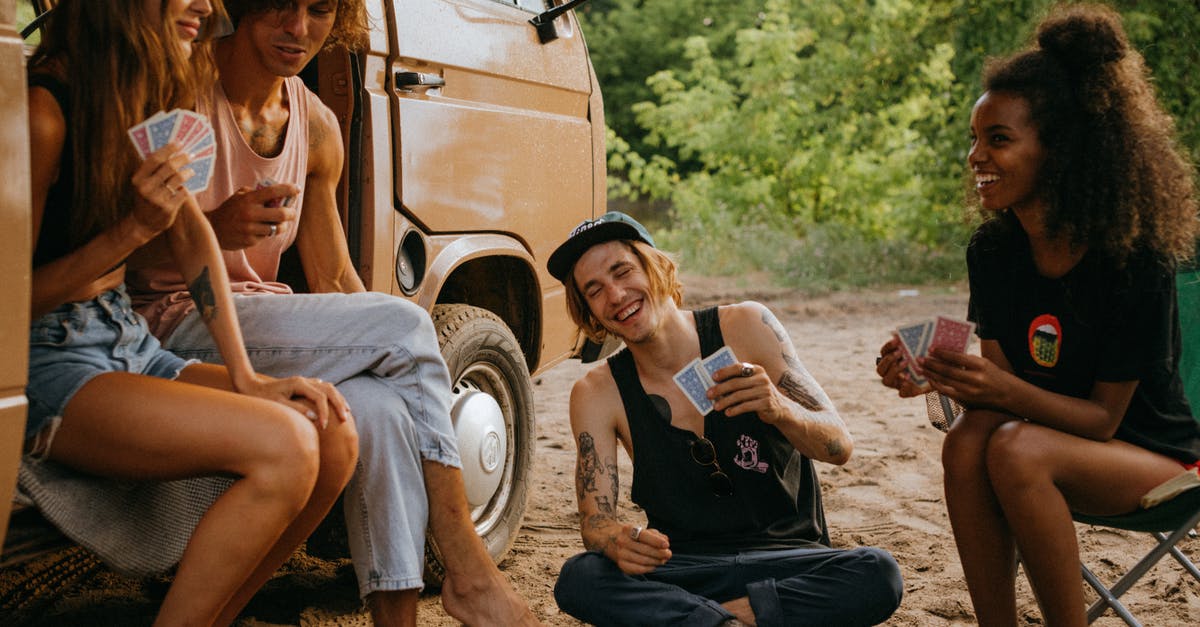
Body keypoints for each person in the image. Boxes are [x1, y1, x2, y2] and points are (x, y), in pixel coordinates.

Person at [125, 1, 539, 625]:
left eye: (319, 10)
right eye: (278, 8)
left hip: (261, 319)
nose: (299, 30)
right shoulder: (178, 93)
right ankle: (467, 565)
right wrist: (217, 225)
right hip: (168, 321)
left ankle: (394, 616)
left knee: (375, 406)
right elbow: (112, 245)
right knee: (404, 325)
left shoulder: (314, 125)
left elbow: (334, 276)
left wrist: (392, 366)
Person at [22, 1, 359, 625]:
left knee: (330, 428)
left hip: (128, 342)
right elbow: (7, 302)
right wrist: (127, 235)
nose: (208, 4)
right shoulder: (44, 112)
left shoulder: (146, 101)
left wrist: (246, 377)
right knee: (287, 444)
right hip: (44, 361)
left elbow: (191, 237)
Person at [876, 4, 1200, 625]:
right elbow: (1003, 396)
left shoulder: (1134, 258)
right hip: (1043, 441)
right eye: (974, 138)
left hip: (1154, 457)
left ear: (1061, 149)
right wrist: (935, 375)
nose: (976, 156)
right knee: (971, 439)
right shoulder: (995, 251)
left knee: (1016, 449)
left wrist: (998, 388)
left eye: (998, 139)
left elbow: (1104, 421)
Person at [548, 212, 903, 626]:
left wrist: (779, 407)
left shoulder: (747, 326)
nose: (616, 294)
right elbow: (596, 521)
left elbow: (839, 446)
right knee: (580, 577)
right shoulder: (597, 391)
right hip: (686, 570)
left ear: (656, 266)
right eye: (595, 290)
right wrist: (617, 541)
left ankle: (716, 620)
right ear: (588, 311)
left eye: (623, 271)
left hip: (788, 562)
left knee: (878, 572)